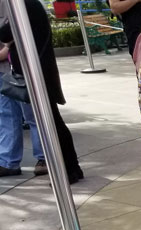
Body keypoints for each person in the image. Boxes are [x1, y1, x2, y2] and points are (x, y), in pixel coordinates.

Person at [0, 0, 83, 183]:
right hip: (38, 71)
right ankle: (70, 168)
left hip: (37, 73)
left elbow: (5, 33)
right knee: (52, 122)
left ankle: (70, 169)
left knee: (52, 123)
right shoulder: (29, 5)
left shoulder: (25, 6)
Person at [0, 39, 45, 178]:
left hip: (22, 68)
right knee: (7, 115)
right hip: (4, 71)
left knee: (33, 115)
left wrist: (6, 48)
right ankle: (8, 161)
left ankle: (45, 157)